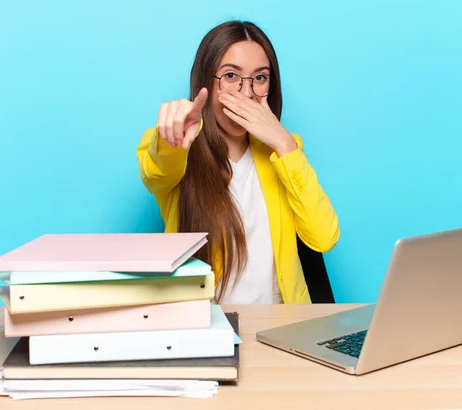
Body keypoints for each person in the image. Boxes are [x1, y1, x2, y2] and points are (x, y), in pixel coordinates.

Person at [136, 20, 339, 304]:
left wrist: (284, 144)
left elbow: (324, 237)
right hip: (205, 332)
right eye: (231, 76)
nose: (247, 93)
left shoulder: (285, 152)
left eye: (260, 78)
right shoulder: (176, 151)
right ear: (206, 82)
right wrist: (171, 139)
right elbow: (156, 172)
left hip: (281, 331)